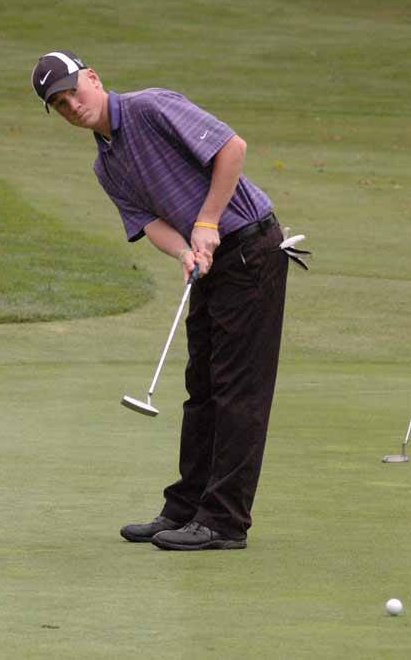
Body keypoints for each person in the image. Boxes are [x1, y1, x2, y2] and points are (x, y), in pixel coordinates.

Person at [31, 50, 309, 551]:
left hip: (250, 248)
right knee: (200, 387)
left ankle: (224, 523)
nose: (73, 105)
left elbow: (231, 148)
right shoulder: (106, 165)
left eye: (74, 90)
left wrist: (205, 223)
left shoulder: (151, 106)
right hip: (209, 262)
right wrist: (184, 249)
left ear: (93, 78)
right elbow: (147, 223)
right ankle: (185, 509)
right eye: (60, 103)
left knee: (237, 390)